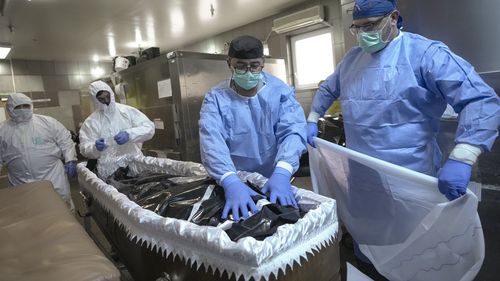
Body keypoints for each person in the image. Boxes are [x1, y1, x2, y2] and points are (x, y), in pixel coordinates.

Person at [306, 0, 500, 270]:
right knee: (371, 246)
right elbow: (328, 89)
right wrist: (313, 117)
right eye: (358, 28)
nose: (364, 35)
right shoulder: (352, 59)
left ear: (394, 18)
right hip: (363, 181)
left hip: (410, 179)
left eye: (371, 26)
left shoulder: (425, 53)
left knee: (416, 251)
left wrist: (464, 155)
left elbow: (480, 99)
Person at [199, 35, 307, 221]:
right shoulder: (215, 98)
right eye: (240, 66)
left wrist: (283, 171)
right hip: (234, 179)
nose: (248, 71)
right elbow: (212, 141)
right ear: (229, 63)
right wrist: (229, 180)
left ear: (263, 63)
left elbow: (293, 131)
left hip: (273, 176)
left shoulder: (279, 92)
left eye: (254, 65)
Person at [0, 93, 77, 209]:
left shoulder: (47, 123)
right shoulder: (3, 130)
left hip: (52, 178)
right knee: (30, 214)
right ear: (10, 109)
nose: (22, 110)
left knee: (61, 209)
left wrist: (70, 159)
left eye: (25, 106)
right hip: (20, 183)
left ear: (31, 105)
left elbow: (65, 141)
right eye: (18, 107)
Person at [79, 80, 155, 177]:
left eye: (107, 96)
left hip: (134, 164)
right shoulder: (91, 122)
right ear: (95, 100)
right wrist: (94, 147)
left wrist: (130, 134)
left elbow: (149, 127)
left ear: (111, 93)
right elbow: (84, 148)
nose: (106, 101)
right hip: (109, 171)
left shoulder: (126, 111)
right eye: (101, 99)